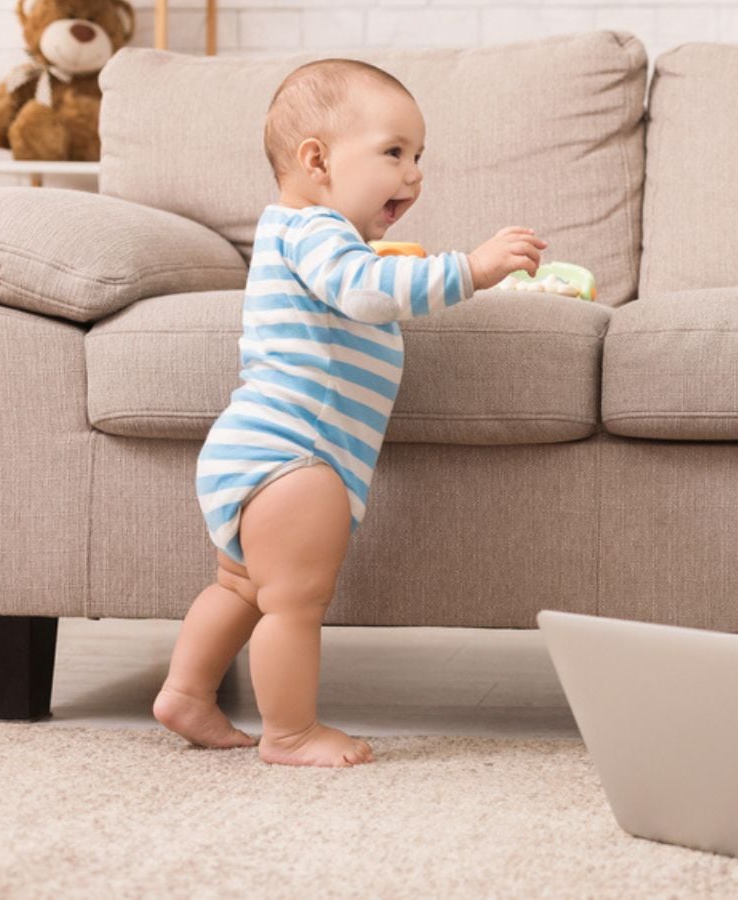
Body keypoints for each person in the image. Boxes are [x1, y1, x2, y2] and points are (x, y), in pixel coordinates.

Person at [152, 59, 547, 767]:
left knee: (242, 586)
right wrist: (474, 269)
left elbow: (361, 285)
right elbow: (368, 292)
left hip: (258, 447)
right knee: (294, 604)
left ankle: (186, 692)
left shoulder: (308, 238)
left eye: (419, 156)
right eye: (394, 152)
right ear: (317, 160)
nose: (415, 173)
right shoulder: (316, 233)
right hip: (296, 456)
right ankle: (291, 732)